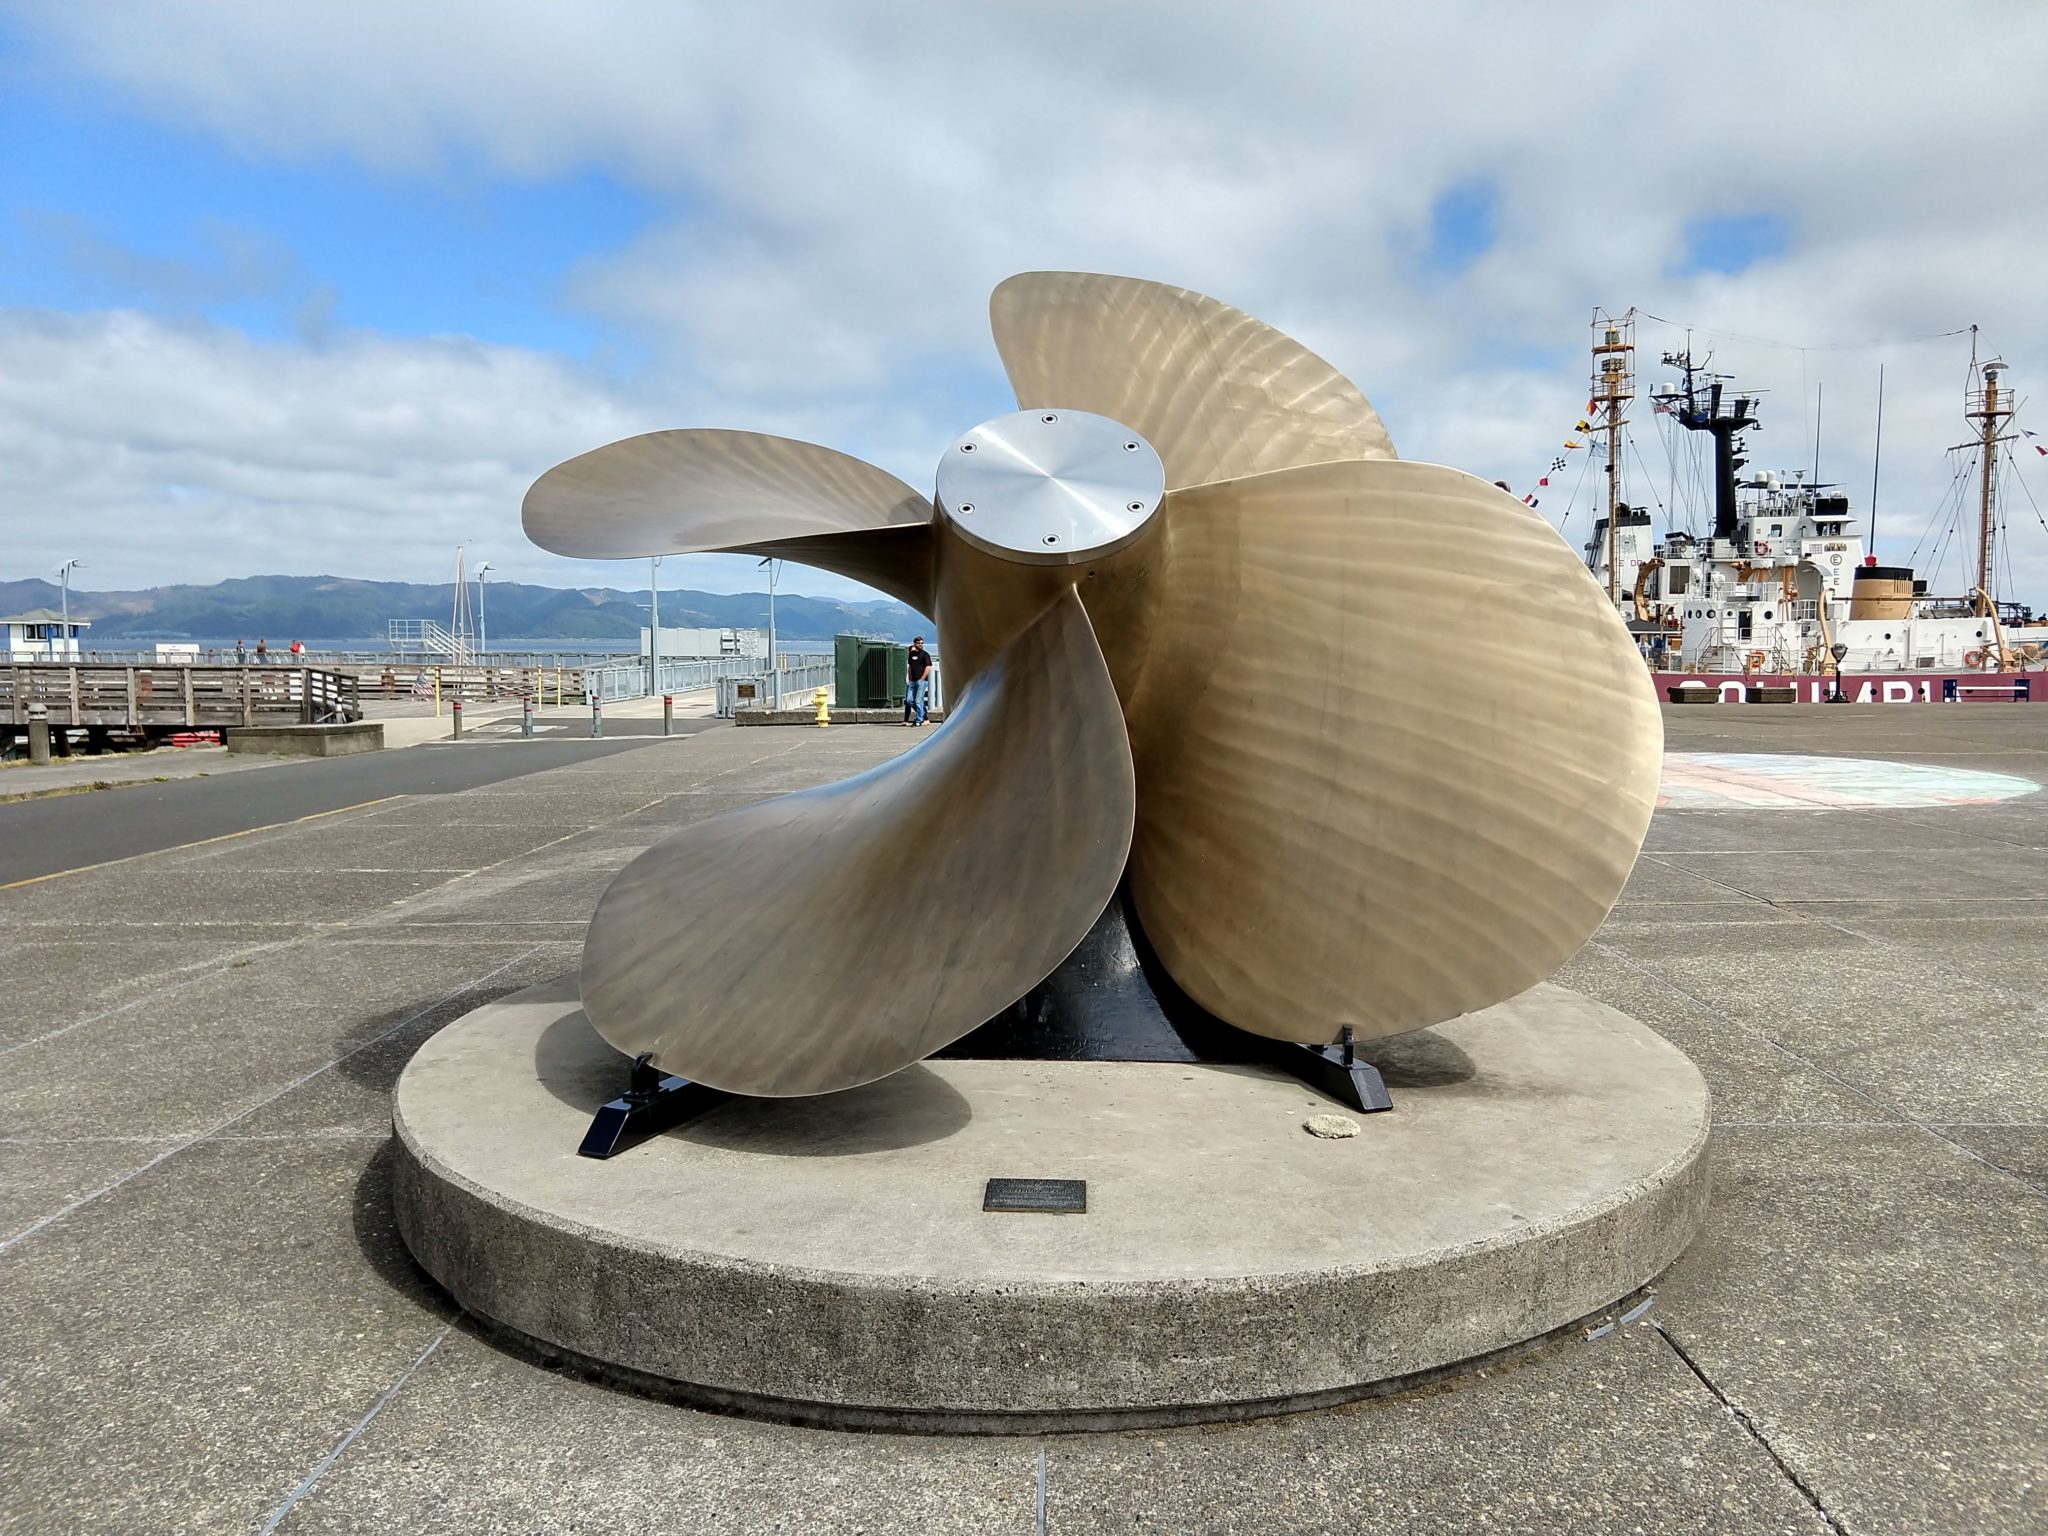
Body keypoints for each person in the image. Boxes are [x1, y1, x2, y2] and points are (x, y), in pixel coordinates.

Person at [903, 637, 934, 725]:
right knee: (909, 700)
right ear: (914, 644)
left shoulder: (925, 654)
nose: (920, 645)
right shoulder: (911, 654)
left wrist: (922, 678)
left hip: (921, 681)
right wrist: (909, 678)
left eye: (922, 643)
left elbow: (928, 667)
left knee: (918, 700)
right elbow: (910, 667)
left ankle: (919, 719)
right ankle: (923, 714)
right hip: (912, 681)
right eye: (918, 643)